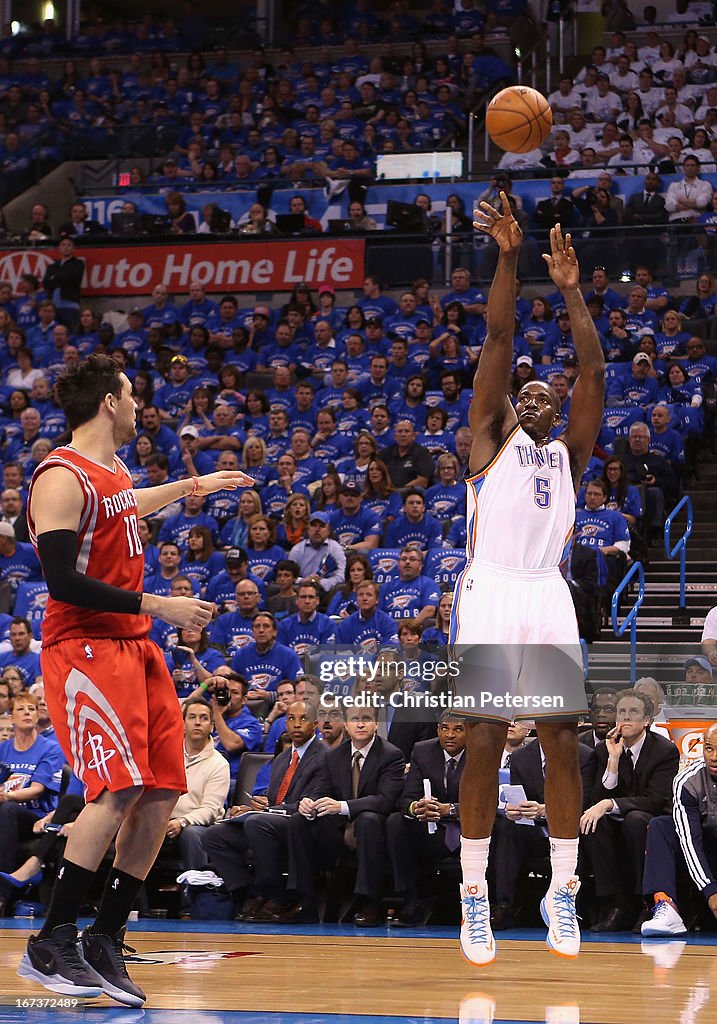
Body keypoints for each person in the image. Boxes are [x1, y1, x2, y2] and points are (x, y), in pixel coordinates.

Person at [20, 353, 252, 1004]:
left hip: (132, 646)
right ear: (107, 404)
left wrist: (189, 487)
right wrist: (160, 606)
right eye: (129, 395)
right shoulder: (59, 476)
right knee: (116, 787)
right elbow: (62, 580)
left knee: (160, 790)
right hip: (85, 647)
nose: (137, 406)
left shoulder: (113, 470)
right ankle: (52, 938)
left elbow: (125, 505)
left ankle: (104, 934)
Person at [451, 198, 605, 964]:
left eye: (549, 394)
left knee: (561, 742)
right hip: (490, 590)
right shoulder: (488, 438)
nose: (542, 398)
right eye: (530, 393)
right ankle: (473, 894)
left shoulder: (568, 456)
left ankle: (562, 892)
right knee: (482, 740)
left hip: (546, 592)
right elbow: (499, 334)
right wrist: (508, 258)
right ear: (513, 405)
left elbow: (593, 371)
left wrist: (571, 289)